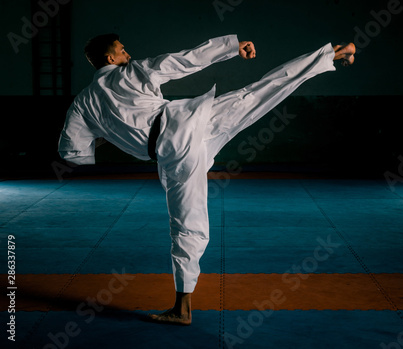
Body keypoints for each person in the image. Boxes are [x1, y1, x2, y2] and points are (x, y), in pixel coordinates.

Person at [58, 33, 355, 325]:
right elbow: (184, 60)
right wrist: (231, 47)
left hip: (176, 151)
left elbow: (71, 151)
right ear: (110, 58)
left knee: (186, 225)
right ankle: (331, 54)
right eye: (122, 51)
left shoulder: (83, 104)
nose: (128, 55)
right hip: (192, 122)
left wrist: (108, 132)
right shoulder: (132, 73)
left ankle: (182, 308)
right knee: (260, 91)